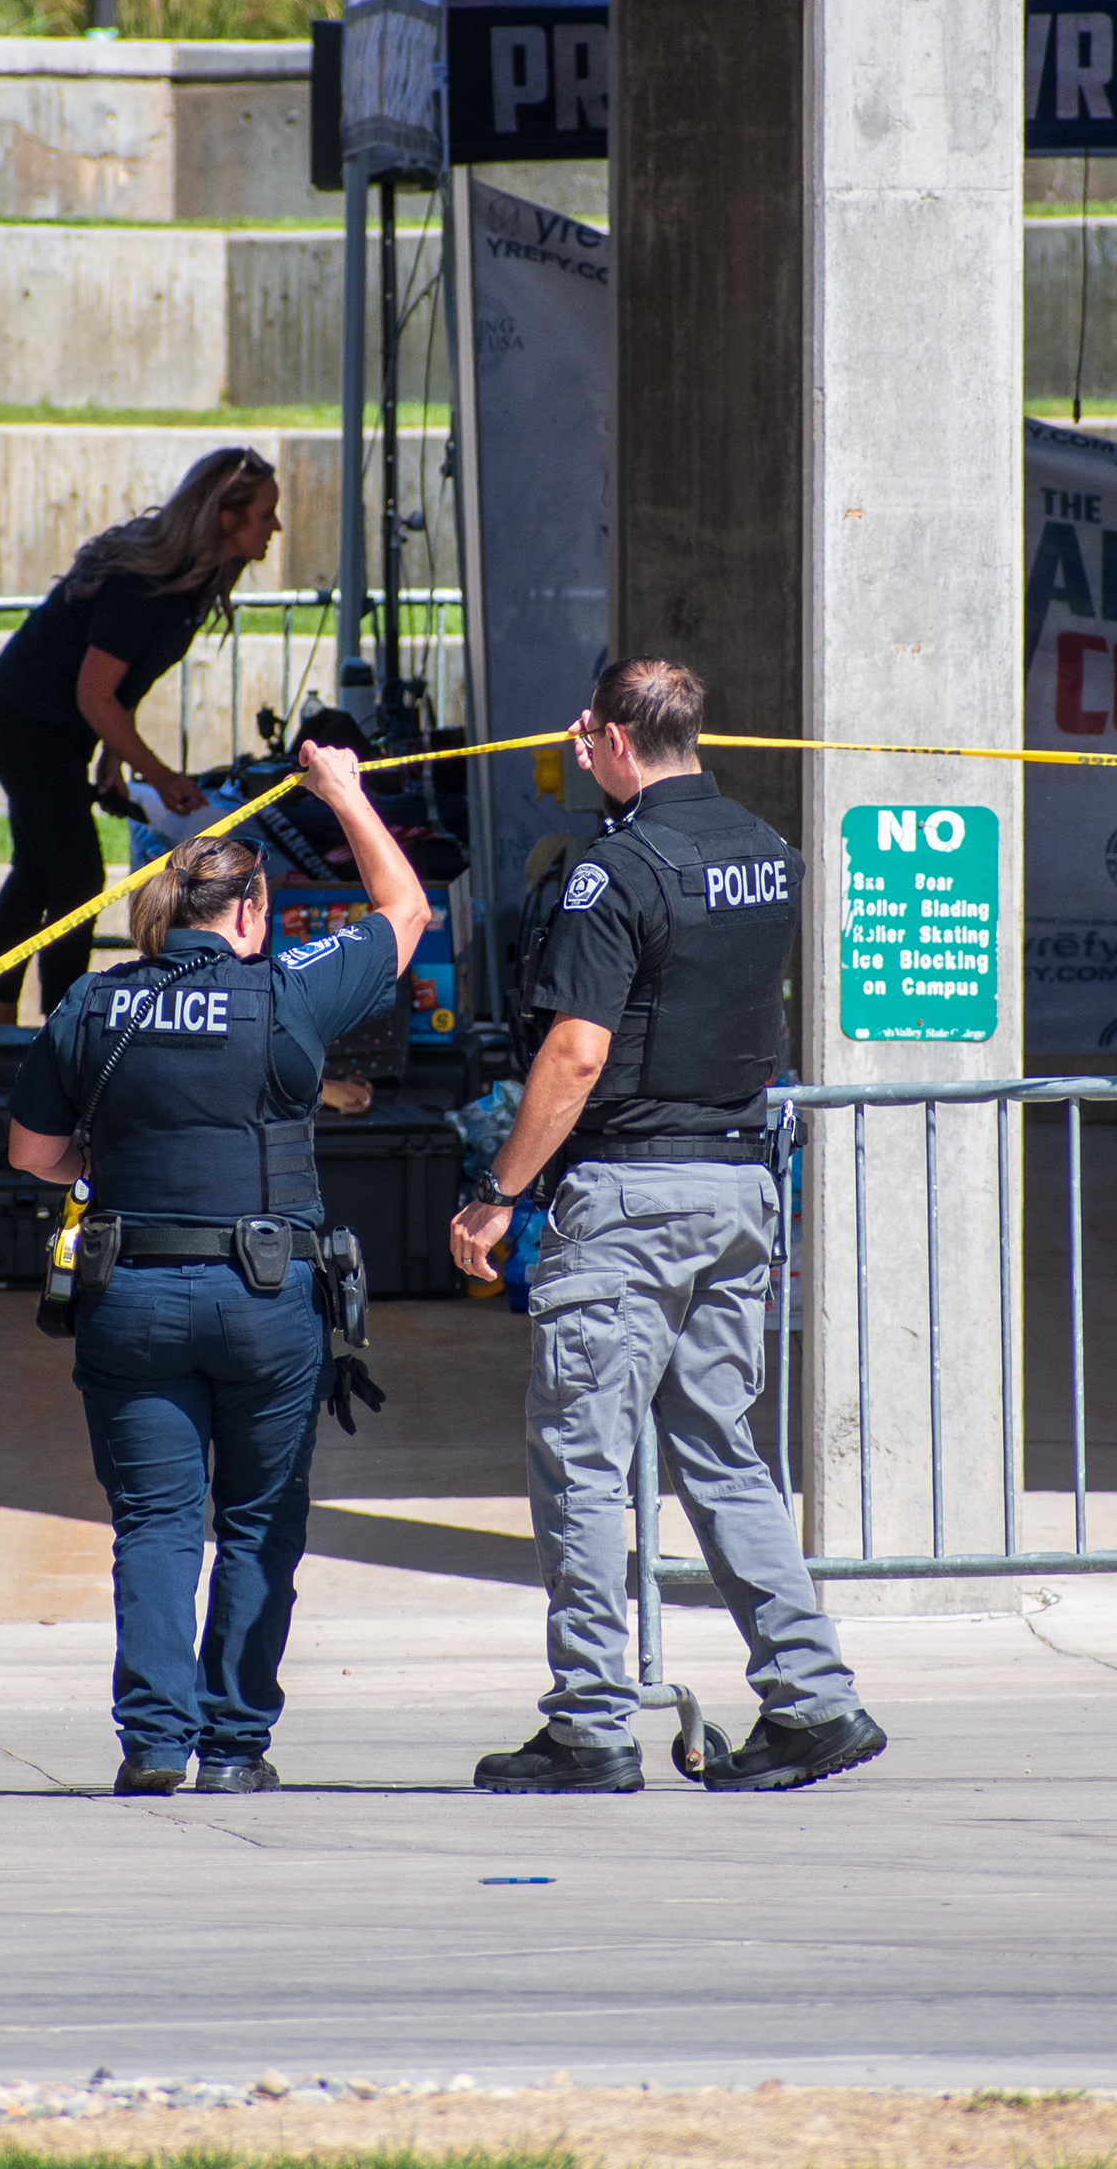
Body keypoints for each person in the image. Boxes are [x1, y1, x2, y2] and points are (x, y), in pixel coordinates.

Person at [445, 658, 884, 1795]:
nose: (580, 749)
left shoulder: (616, 870)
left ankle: (591, 1726)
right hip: (740, 1189)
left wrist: (498, 1192)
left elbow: (577, 1051)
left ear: (618, 739)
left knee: (583, 1467)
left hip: (632, 1195)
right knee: (723, 1453)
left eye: (587, 733)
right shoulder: (767, 850)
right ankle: (812, 1697)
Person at [5, 741, 426, 1795]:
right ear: (247, 914)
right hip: (266, 1296)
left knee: (154, 1522)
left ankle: (153, 1744)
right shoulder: (287, 998)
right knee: (257, 1523)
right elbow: (405, 910)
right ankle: (234, 1745)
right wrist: (345, 794)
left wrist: (111, 1153)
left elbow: (30, 1154)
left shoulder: (93, 1007)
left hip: (131, 1292)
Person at [0, 448, 283, 1024]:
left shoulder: (188, 587)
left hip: (64, 730)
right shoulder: (143, 585)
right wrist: (160, 777)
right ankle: (58, 1024)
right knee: (78, 875)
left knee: (41, 867)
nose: (275, 528)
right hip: (21, 716)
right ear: (225, 518)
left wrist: (114, 763)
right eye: (265, 515)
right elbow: (96, 693)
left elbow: (125, 683)